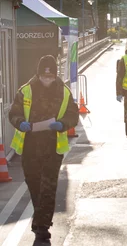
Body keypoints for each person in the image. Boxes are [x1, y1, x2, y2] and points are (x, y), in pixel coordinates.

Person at [8, 55, 79, 241]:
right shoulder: (25, 91)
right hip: (30, 148)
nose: (47, 80)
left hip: (52, 149)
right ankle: (40, 219)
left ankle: (42, 228)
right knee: (35, 187)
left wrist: (63, 124)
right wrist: (20, 122)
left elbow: (73, 115)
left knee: (48, 189)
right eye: (43, 76)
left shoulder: (64, 92)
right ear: (38, 74)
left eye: (50, 77)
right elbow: (13, 113)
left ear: (55, 75)